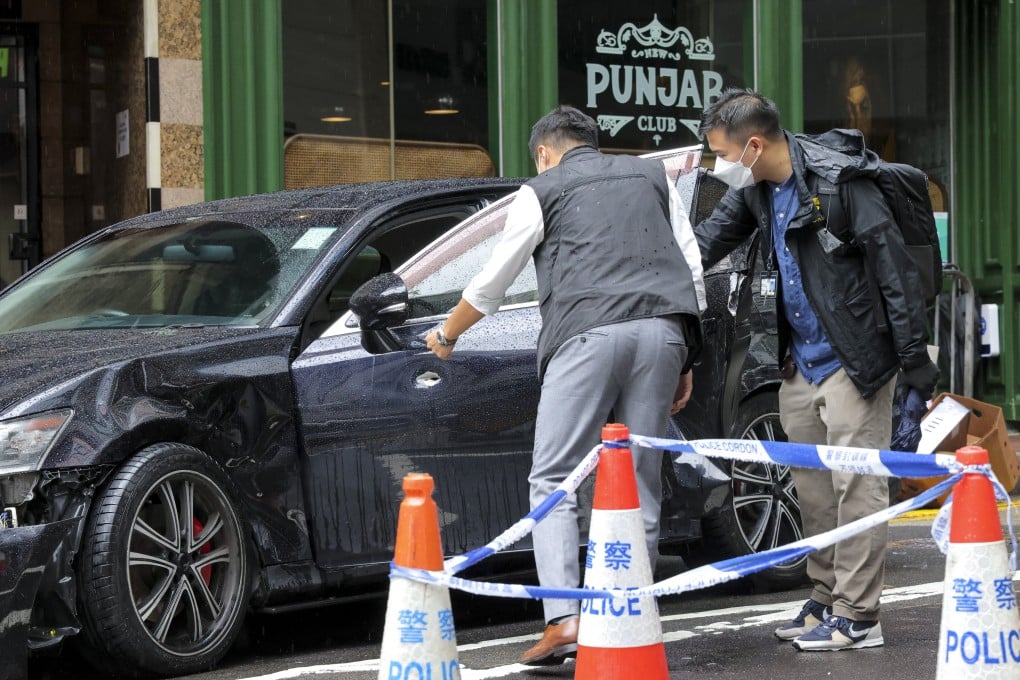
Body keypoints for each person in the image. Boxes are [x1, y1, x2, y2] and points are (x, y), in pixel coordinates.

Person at [424, 105, 706, 665]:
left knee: (554, 475)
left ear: (544, 151)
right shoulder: (653, 175)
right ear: (593, 144)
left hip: (587, 333)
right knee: (637, 473)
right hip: (663, 331)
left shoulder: (542, 188)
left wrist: (447, 332)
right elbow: (689, 263)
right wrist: (687, 355)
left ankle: (565, 619)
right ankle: (629, 617)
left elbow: (494, 278)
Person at [693, 89, 938, 651]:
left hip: (856, 360)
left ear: (753, 145)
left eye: (722, 154)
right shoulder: (756, 189)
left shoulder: (841, 183)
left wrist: (914, 364)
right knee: (814, 490)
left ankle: (860, 615)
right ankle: (825, 597)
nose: (719, 166)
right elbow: (706, 244)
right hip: (799, 361)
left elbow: (895, 272)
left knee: (859, 488)